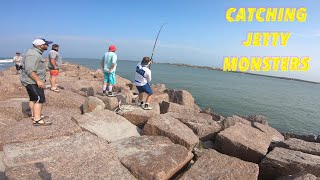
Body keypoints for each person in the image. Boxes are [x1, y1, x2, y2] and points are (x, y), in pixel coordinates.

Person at [20, 38, 53, 126]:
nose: (47, 46)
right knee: (40, 99)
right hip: (32, 81)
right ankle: (37, 120)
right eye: (46, 44)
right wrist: (38, 80)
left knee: (33, 98)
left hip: (30, 80)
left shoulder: (34, 53)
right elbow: (29, 70)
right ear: (40, 45)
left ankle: (34, 115)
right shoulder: (33, 54)